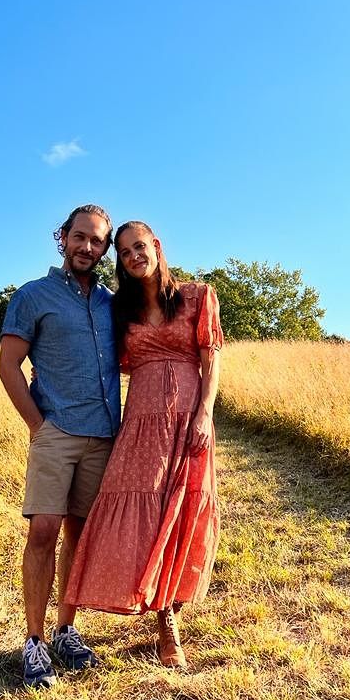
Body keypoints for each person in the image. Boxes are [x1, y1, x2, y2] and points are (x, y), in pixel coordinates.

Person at [64, 220, 223, 669]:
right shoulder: (121, 310)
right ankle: (130, 608)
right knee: (143, 510)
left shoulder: (197, 296)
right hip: (140, 419)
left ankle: (167, 621)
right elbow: (99, 357)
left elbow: (211, 358)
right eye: (124, 252)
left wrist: (205, 414)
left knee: (178, 510)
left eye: (139, 247)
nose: (133, 256)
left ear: (156, 245)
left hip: (189, 417)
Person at [0, 204, 121, 688]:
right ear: (63, 237)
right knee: (44, 531)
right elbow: (8, 367)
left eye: (98, 242)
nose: (88, 247)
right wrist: (37, 426)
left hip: (103, 436)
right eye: (80, 237)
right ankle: (34, 643)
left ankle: (66, 630)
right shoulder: (33, 296)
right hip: (56, 432)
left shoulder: (113, 304)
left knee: (80, 535)